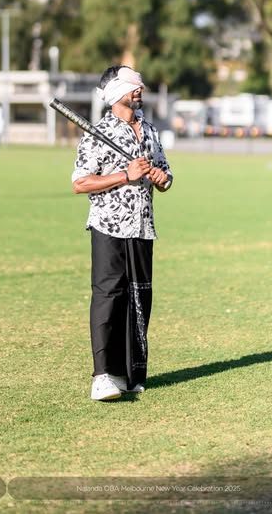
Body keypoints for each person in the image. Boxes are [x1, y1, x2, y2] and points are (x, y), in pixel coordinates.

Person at [72, 65, 173, 401]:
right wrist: (124, 175)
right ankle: (102, 375)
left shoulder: (150, 131)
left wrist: (161, 179)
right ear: (116, 91)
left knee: (140, 298)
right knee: (109, 296)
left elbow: (166, 176)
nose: (141, 87)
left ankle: (132, 373)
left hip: (143, 227)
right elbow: (80, 182)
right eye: (134, 83)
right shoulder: (96, 133)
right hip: (108, 225)